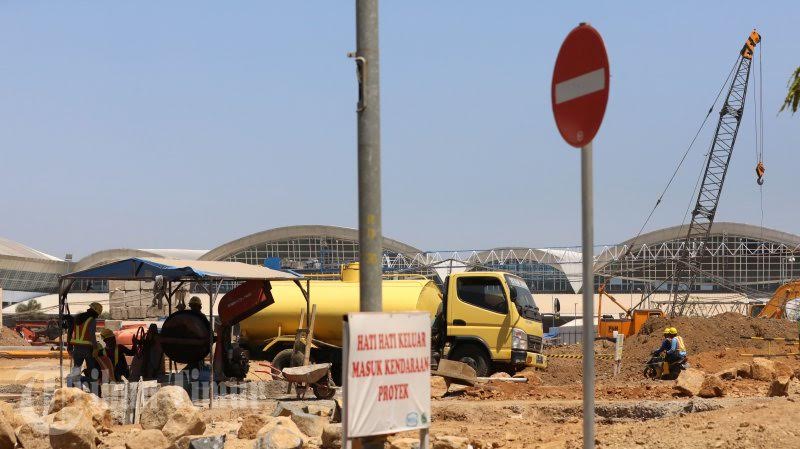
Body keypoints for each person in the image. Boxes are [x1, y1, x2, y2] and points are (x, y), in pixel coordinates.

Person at [66, 302, 103, 388]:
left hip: (77, 348)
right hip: (87, 349)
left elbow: (70, 332)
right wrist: (95, 348)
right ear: (95, 312)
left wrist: (69, 346)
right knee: (92, 370)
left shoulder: (77, 318)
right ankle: (93, 389)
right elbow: (92, 335)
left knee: (76, 370)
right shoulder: (91, 320)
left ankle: (72, 388)